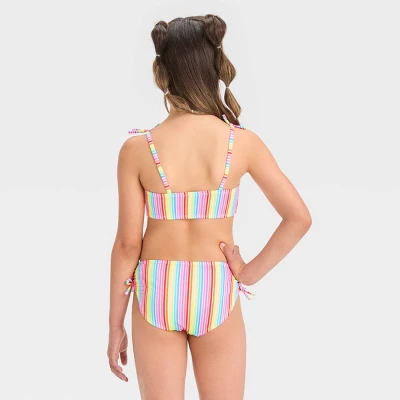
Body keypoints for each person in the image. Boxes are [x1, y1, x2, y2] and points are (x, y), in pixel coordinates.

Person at [107, 14, 312, 399]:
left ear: (162, 73)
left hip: (157, 287)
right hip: (215, 286)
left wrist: (115, 324)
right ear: (215, 66)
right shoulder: (241, 143)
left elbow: (127, 245)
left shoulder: (137, 149)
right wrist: (248, 273)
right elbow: (298, 217)